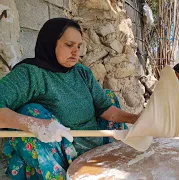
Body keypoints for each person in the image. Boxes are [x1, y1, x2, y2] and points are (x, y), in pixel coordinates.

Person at [0, 18, 140, 179]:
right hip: (60, 154)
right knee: (30, 112)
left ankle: (105, 160)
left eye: (79, 46)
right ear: (50, 43)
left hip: (94, 144)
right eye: (69, 45)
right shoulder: (31, 74)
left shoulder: (82, 72)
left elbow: (104, 108)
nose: (76, 52)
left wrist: (136, 119)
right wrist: (35, 124)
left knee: (108, 96)